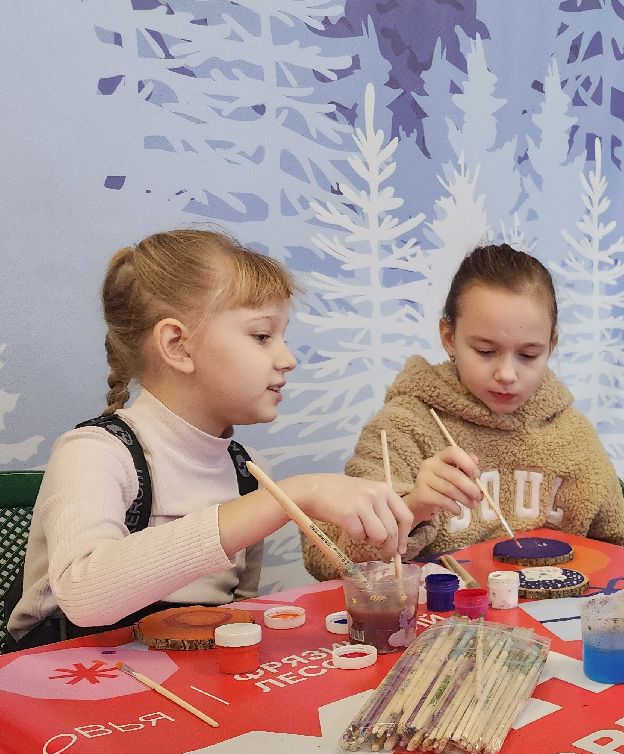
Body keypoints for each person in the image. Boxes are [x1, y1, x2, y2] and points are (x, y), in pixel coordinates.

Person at [6, 229, 413, 650]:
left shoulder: (248, 470)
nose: (287, 359)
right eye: (261, 336)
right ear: (178, 346)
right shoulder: (95, 452)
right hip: (64, 683)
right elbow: (84, 595)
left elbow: (236, 612)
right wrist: (291, 496)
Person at [303, 243, 624, 579]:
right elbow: (326, 559)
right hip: (438, 627)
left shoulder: (574, 437)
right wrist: (414, 507)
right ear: (448, 336)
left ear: (552, 345)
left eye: (529, 355)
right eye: (486, 351)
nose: (507, 374)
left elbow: (621, 557)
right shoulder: (403, 428)